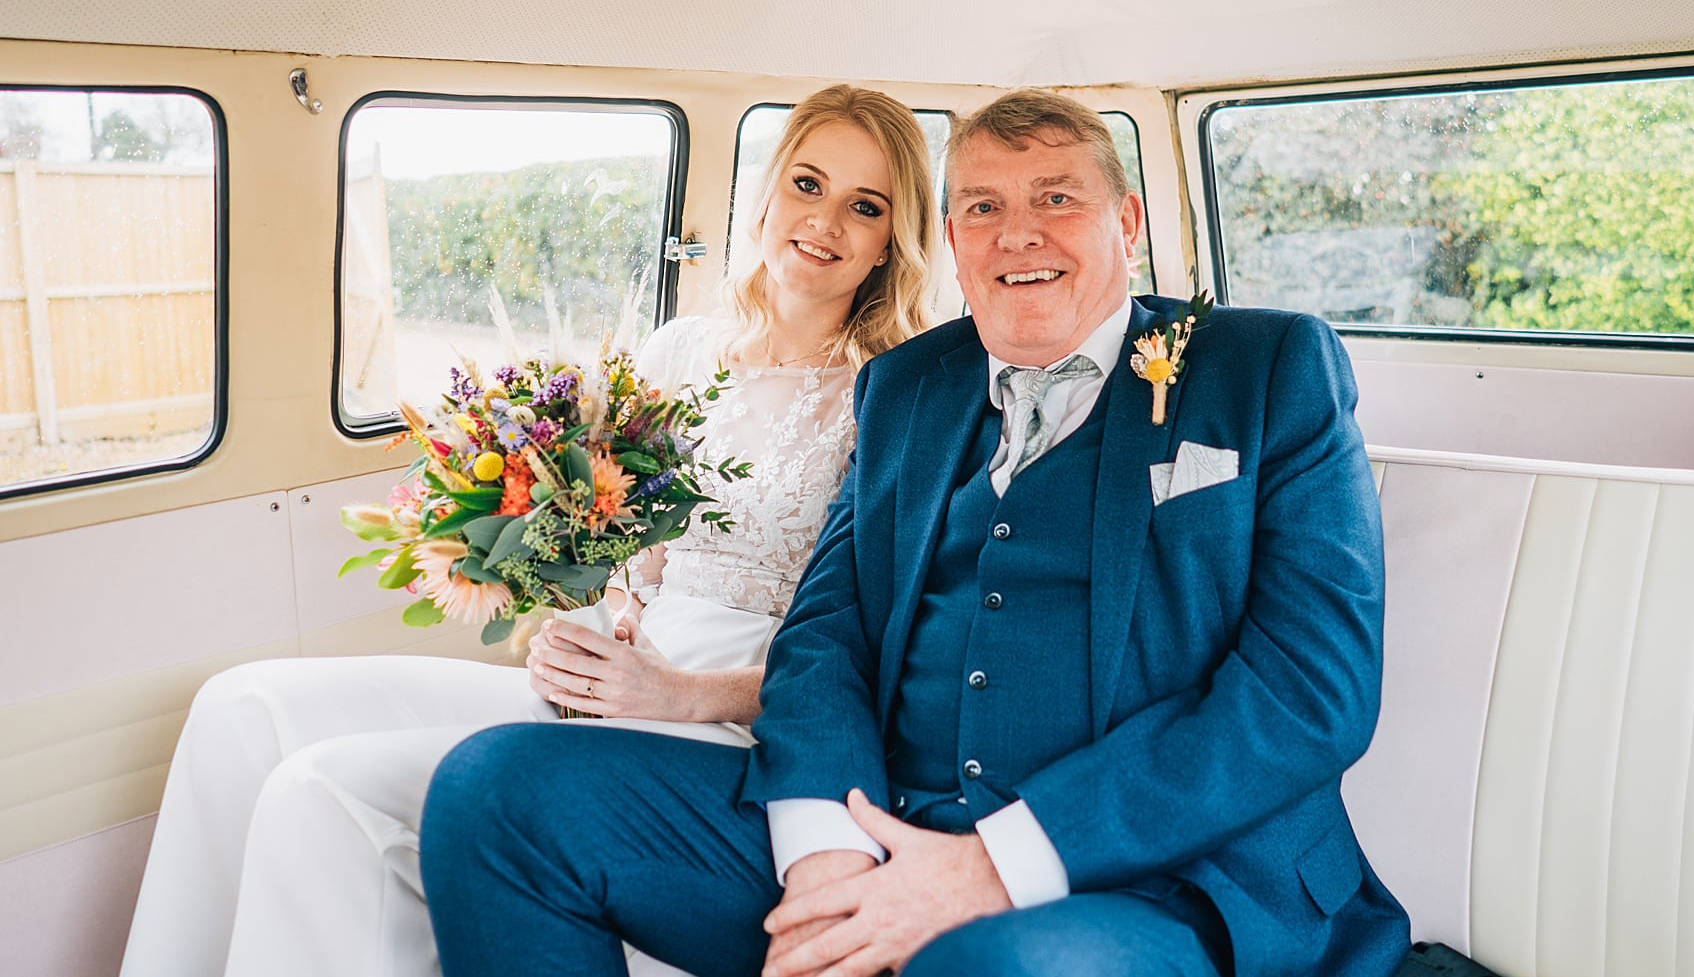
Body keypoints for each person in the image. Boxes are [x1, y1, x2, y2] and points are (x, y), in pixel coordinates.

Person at [420, 87, 1412, 977]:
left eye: (1054, 198)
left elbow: (1308, 690)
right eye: (983, 206)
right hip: (878, 824)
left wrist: (992, 865)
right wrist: (827, 861)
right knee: (498, 792)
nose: (1016, 233)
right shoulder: (904, 387)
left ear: (1127, 220)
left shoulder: (1262, 367)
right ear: (949, 236)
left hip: (1158, 882)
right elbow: (822, 640)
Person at [115, 83, 937, 977]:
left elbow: (873, 655)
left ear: (894, 239)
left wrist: (679, 691)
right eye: (809, 185)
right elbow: (637, 561)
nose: (825, 222)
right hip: (618, 674)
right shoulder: (676, 354)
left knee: (321, 793)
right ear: (769, 191)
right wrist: (585, 610)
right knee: (243, 708)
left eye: (866, 206)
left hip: (733, 714)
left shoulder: (896, 401)